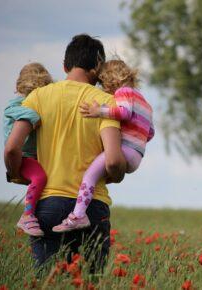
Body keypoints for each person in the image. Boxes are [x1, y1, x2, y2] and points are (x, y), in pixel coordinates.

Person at [4, 34, 127, 273]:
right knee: (90, 283)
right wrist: (118, 173)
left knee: (48, 281)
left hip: (47, 205)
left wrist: (16, 173)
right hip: (92, 207)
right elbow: (112, 160)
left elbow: (11, 148)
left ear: (64, 66)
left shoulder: (37, 97)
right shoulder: (106, 103)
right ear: (98, 68)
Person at [53, 59, 154, 232]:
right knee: (99, 175)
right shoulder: (145, 103)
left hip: (125, 150)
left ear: (110, 80)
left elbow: (124, 112)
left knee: (89, 176)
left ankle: (78, 216)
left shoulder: (124, 91)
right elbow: (150, 132)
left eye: (102, 83)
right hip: (137, 155)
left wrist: (99, 111)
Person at [3, 63, 52, 236]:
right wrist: (34, 116)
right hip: (23, 156)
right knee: (39, 177)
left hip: (32, 155)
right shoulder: (17, 103)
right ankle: (27, 215)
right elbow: (12, 111)